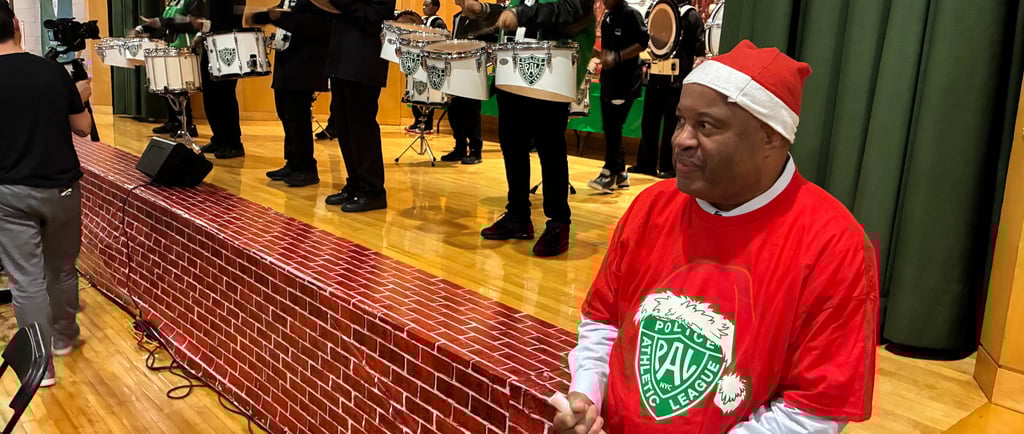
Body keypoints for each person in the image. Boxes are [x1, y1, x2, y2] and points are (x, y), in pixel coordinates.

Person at [553, 40, 878, 433]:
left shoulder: (834, 245)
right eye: (680, 121)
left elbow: (812, 410)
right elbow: (603, 321)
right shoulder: (652, 206)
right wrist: (587, 396)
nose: (680, 140)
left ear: (771, 136)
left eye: (705, 126)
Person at [458, 0, 595, 257]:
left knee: (550, 149)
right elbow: (510, 17)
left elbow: (570, 10)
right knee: (512, 146)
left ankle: (558, 222)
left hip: (552, 73)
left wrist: (519, 14)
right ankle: (517, 215)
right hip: (511, 73)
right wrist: (484, 10)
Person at [0, 0, 90, 387]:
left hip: (8, 193)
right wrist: (79, 96)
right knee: (62, 268)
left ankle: (41, 369)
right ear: (17, 24)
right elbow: (83, 127)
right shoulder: (52, 71)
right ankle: (64, 339)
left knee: (26, 281)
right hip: (62, 188)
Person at [142, 0, 248, 159]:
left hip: (226, 46)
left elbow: (229, 19)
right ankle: (218, 138)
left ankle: (233, 143)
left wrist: (203, 25)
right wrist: (201, 32)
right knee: (210, 95)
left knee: (225, 96)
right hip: (210, 45)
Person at [317, 0, 396, 212]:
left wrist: (340, 2)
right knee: (343, 126)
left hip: (364, 59)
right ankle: (355, 183)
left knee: (361, 126)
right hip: (341, 57)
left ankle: (373, 191)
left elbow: (376, 17)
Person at [252, 1, 332, 187]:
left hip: (304, 61)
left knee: (297, 116)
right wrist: (263, 16)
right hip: (286, 58)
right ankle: (293, 162)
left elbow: (317, 26)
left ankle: (306, 167)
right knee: (284, 112)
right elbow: (282, 15)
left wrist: (281, 18)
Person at [628, 0, 701, 178]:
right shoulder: (659, 9)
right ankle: (646, 164)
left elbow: (698, 48)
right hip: (656, 77)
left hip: (676, 80)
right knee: (649, 123)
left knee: (672, 126)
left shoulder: (690, 15)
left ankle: (669, 167)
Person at [586, 0, 647, 193]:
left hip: (626, 80)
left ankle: (608, 172)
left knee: (613, 125)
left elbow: (642, 43)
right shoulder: (608, 16)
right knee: (610, 126)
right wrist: (599, 55)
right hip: (609, 80)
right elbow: (607, 49)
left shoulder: (631, 15)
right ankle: (620, 173)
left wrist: (618, 56)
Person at [437, 9, 498, 165]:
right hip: (456, 70)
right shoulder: (457, 17)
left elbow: (493, 37)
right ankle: (460, 147)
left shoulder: (482, 16)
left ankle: (475, 150)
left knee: (471, 111)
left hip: (472, 70)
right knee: (454, 110)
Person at [139, 0, 201, 139]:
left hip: (184, 47)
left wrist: (162, 22)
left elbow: (193, 23)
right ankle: (172, 122)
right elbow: (165, 24)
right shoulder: (172, 2)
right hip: (170, 46)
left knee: (182, 88)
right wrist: (145, 28)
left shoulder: (191, 1)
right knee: (167, 87)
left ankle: (187, 125)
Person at [405, 0, 447, 135]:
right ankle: (417, 120)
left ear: (435, 7)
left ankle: (427, 124)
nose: (424, 7)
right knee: (416, 91)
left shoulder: (438, 22)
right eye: (423, 5)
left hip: (430, 63)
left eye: (427, 5)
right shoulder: (421, 20)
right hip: (418, 61)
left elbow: (441, 42)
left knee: (427, 95)